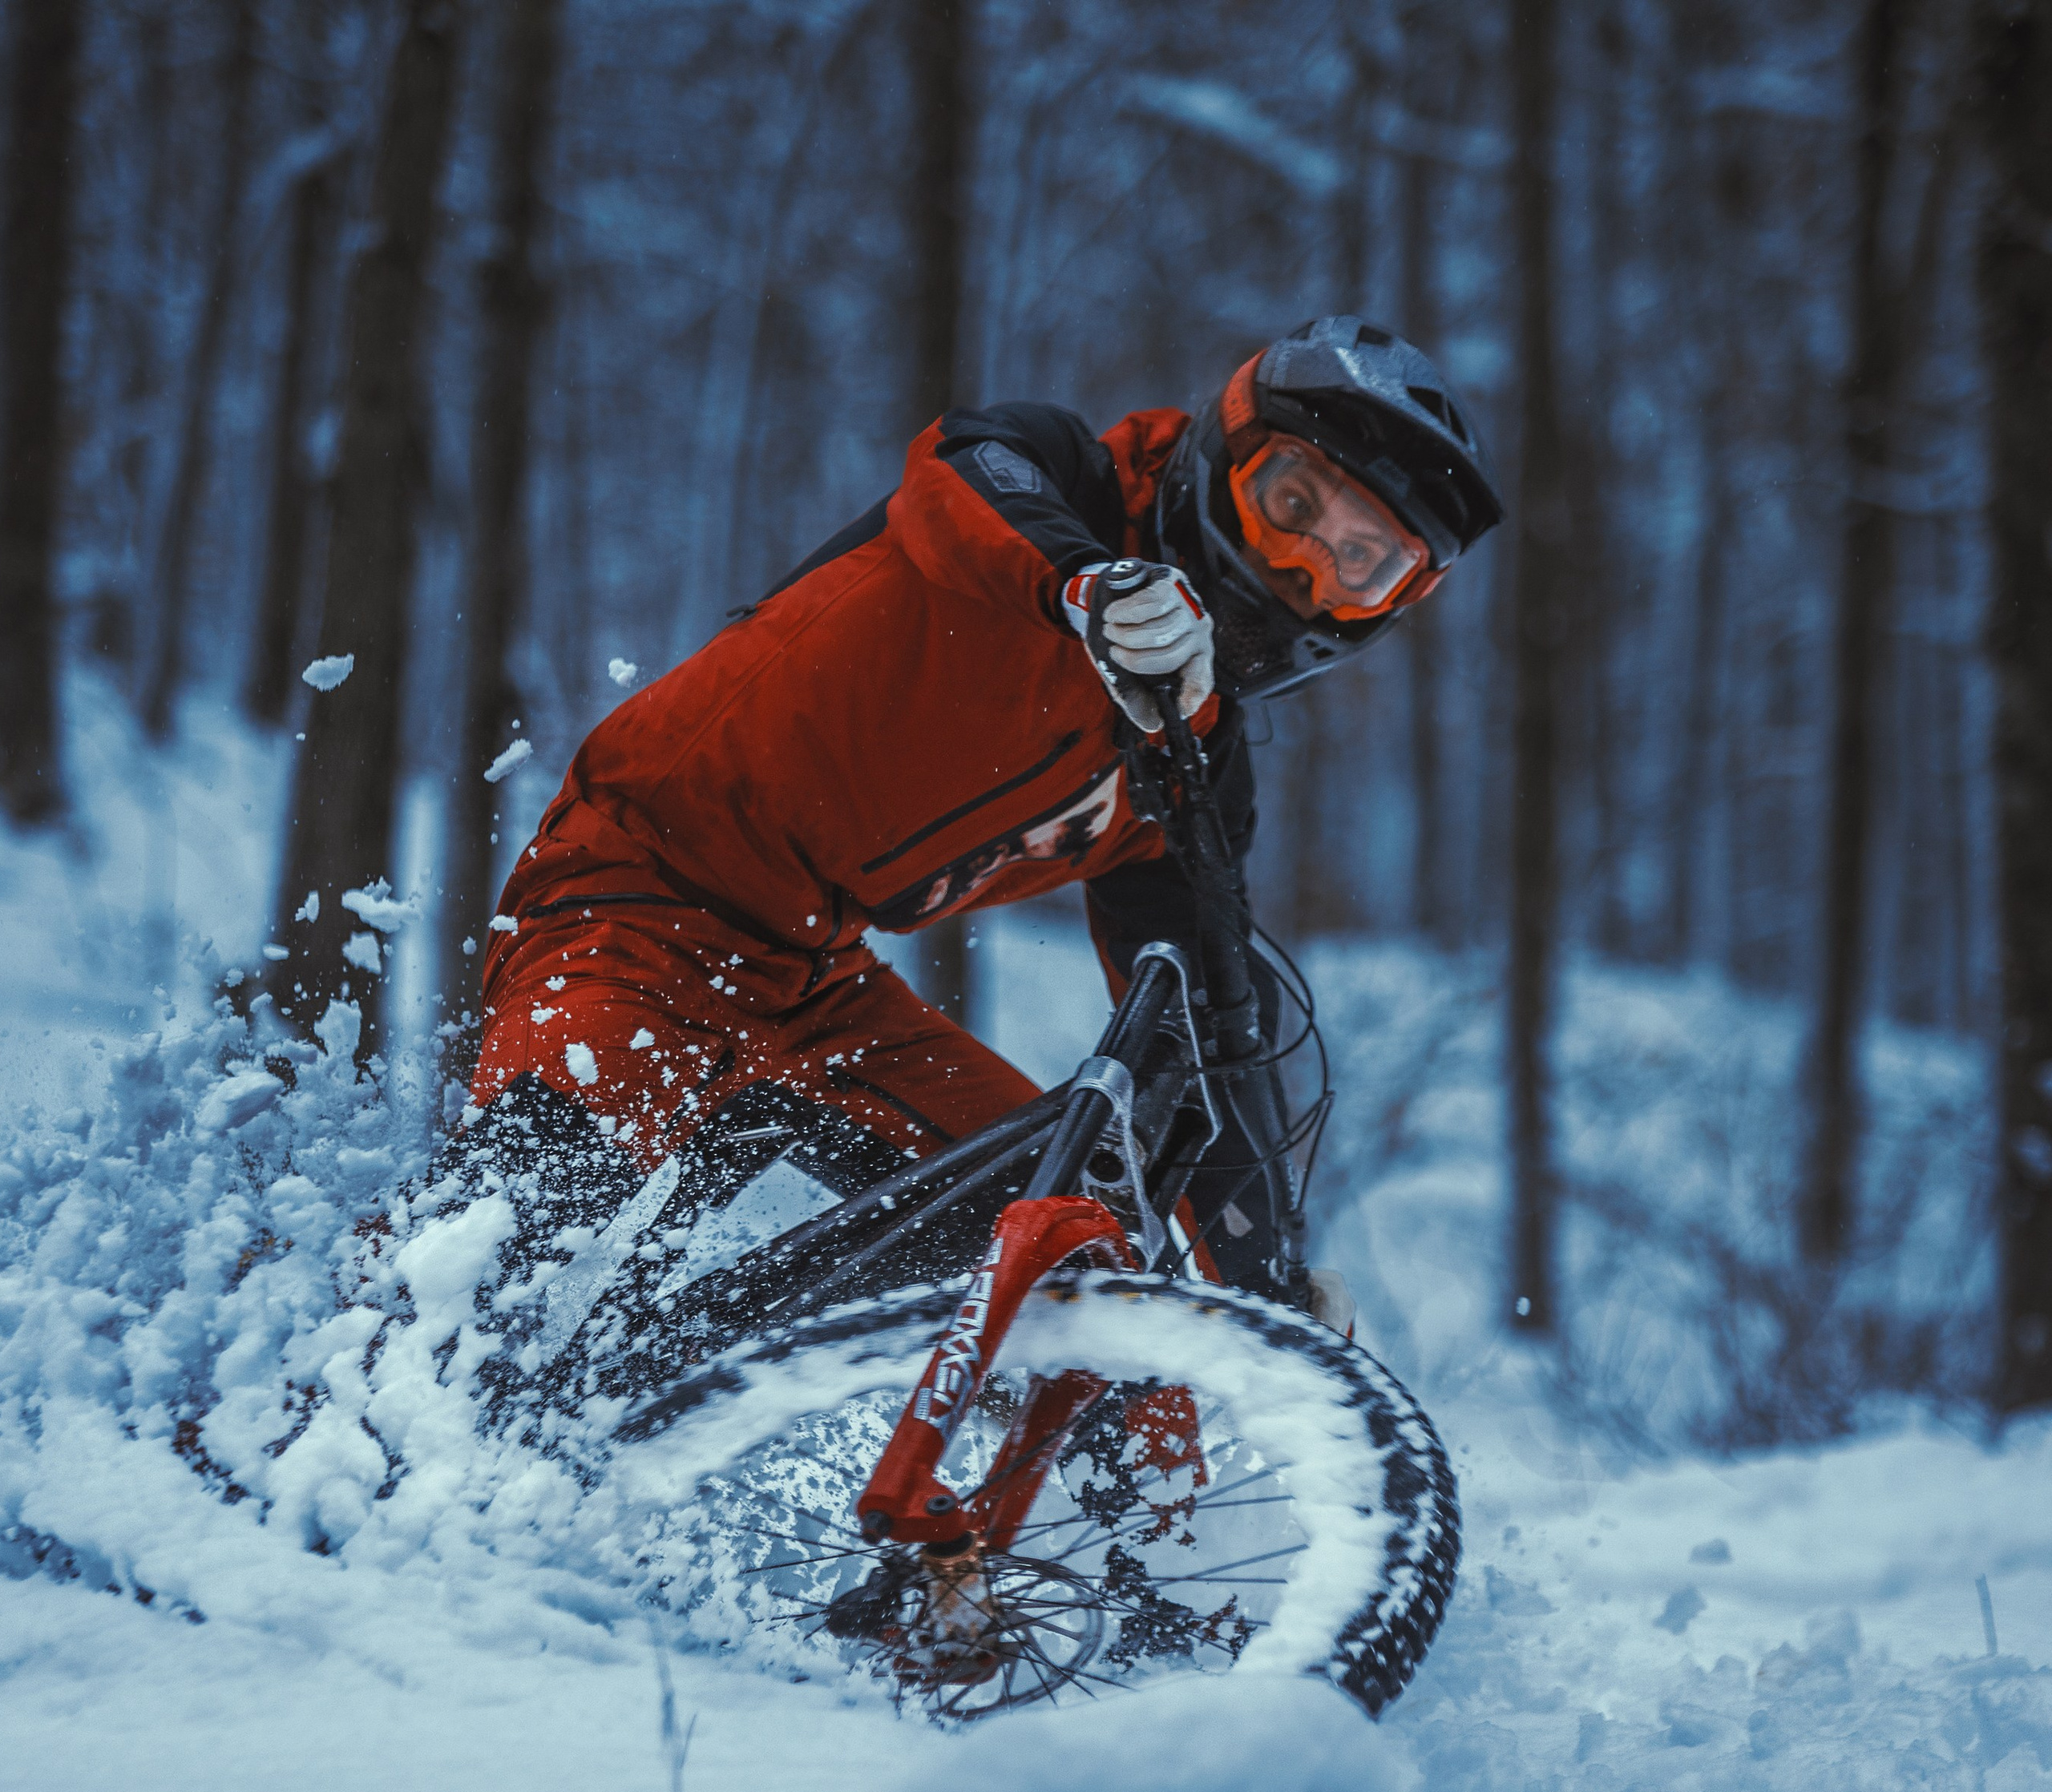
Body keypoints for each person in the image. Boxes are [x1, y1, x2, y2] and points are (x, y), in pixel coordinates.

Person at [463, 315, 1501, 1329]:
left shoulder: (1188, 766)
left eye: (1361, 564)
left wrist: (1263, 1294)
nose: (1300, 567)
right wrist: (1086, 586)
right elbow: (959, 476)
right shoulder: (1062, 480)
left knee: (1089, 1285)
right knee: (488, 1277)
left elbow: (1210, 1033)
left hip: (814, 991)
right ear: (1223, 453)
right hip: (629, 905)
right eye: (1290, 503)